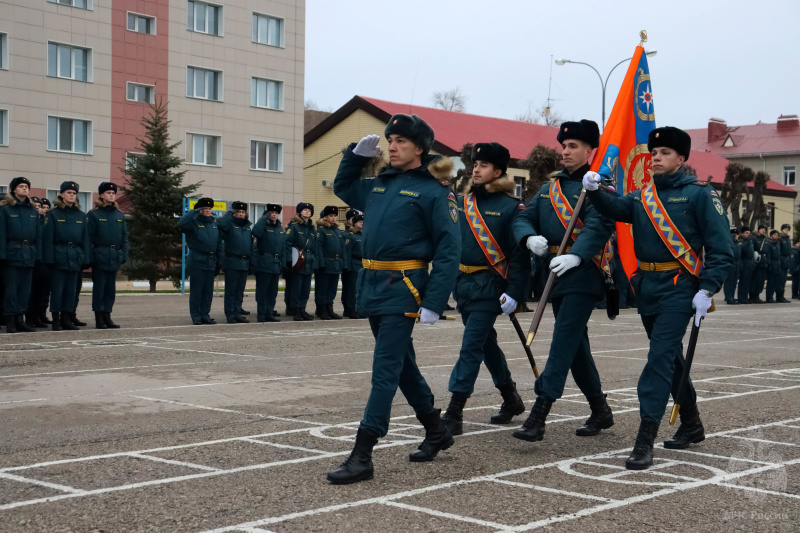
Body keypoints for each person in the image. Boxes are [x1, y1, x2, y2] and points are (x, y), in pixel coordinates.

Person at [583, 126, 733, 470]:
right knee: (672, 359)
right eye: (654, 154)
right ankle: (692, 424)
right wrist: (594, 191)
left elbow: (722, 247)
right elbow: (617, 208)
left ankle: (645, 437)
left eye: (665, 153)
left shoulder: (699, 195)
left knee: (658, 360)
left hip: (681, 287)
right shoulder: (642, 196)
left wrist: (708, 288)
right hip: (647, 286)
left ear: (682, 159)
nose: (657, 159)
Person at [327, 114, 460, 484]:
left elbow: (450, 249)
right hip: (373, 283)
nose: (393, 146)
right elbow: (343, 186)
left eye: (401, 140)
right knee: (401, 364)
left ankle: (363, 453)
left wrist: (434, 299)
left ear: (420, 148)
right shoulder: (380, 185)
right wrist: (354, 157)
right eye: (390, 140)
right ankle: (436, 430)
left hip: (405, 286)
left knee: (384, 369)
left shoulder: (436, 192)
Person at [511, 120, 616, 444]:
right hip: (554, 274)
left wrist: (578, 255)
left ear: (590, 151)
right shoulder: (549, 188)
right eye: (564, 146)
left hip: (583, 273)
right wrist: (528, 238)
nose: (566, 151)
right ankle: (600, 409)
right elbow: (524, 217)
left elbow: (600, 226)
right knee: (576, 346)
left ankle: (540, 411)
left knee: (563, 338)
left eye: (573, 146)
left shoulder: (600, 188)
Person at [440, 142, 530, 437]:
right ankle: (511, 397)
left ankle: (454, 411)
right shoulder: (461, 201)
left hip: (490, 287)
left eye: (483, 165)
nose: (476, 169)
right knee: (485, 343)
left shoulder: (511, 207)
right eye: (475, 164)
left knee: (470, 347)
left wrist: (515, 291)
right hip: (463, 285)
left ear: (499, 172)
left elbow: (519, 256)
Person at [43, 181, 90, 331]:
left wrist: (85, 258)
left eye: (74, 193)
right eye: (69, 192)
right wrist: (49, 259)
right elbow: (48, 239)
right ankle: (56, 318)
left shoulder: (80, 216)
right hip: (59, 255)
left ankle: (67, 317)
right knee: (58, 289)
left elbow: (85, 239)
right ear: (62, 194)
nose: (72, 195)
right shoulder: (53, 214)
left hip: (75, 256)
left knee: (71, 290)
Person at [0, 177, 41, 333]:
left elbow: (38, 235)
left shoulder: (32, 210)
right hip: (12, 253)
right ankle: (10, 319)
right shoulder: (6, 209)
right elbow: (2, 234)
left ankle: (20, 318)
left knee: (25, 289)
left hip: (29, 253)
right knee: (12, 289)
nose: (24, 188)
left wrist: (38, 255)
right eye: (21, 186)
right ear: (13, 190)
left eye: (26, 186)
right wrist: (2, 255)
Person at [87, 182, 127, 329]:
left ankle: (107, 315)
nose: (111, 195)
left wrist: (123, 254)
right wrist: (90, 257)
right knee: (99, 288)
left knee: (110, 289)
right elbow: (89, 238)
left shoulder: (119, 215)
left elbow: (124, 237)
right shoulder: (94, 214)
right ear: (101, 195)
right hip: (100, 255)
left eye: (113, 193)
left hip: (114, 255)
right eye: (108, 193)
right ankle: (99, 317)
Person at [179, 197, 223, 325]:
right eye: (204, 208)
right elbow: (182, 224)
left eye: (209, 209)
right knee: (197, 291)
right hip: (197, 260)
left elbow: (219, 243)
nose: (208, 211)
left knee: (207, 292)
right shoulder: (193, 223)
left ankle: (205, 315)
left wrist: (219, 260)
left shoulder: (214, 223)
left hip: (211, 260)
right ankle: (196, 316)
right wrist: (193, 211)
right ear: (199, 210)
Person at [219, 201, 253, 323]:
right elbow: (221, 225)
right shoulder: (229, 225)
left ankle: (237, 313)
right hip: (232, 261)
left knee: (239, 291)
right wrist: (229, 214)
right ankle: (230, 314)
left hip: (244, 262)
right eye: (238, 212)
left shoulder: (247, 227)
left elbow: (251, 246)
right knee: (231, 291)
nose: (241, 214)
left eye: (243, 212)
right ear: (233, 213)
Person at [251, 203, 285, 322]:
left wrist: (283, 263)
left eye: (276, 213)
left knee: (272, 292)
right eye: (271, 212)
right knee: (263, 291)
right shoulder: (263, 225)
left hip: (276, 263)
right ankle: (261, 314)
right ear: (267, 213)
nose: (274, 215)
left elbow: (283, 246)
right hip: (264, 262)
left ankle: (269, 313)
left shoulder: (279, 228)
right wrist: (263, 219)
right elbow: (255, 232)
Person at [284, 202, 317, 321]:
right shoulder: (294, 227)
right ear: (299, 212)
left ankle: (302, 309)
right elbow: (287, 244)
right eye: (304, 210)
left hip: (309, 262)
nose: (307, 211)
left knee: (305, 289)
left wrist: (315, 261)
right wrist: (289, 261)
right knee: (296, 289)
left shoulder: (312, 228)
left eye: (309, 210)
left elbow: (315, 247)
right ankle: (296, 311)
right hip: (298, 262)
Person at [314, 205, 345, 320]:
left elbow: (342, 249)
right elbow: (319, 248)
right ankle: (322, 309)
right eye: (330, 216)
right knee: (323, 287)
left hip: (336, 263)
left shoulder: (337, 231)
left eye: (334, 216)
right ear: (325, 217)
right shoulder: (321, 231)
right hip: (326, 263)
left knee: (332, 288)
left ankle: (329, 308)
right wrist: (321, 263)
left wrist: (342, 263)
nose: (333, 218)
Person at [25, 197, 51, 328]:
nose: (39, 209)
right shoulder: (31, 222)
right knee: (31, 292)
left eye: (39, 206)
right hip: (33, 260)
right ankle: (29, 318)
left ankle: (38, 316)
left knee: (42, 292)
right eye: (35, 206)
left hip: (44, 261)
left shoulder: (46, 223)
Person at [342, 209, 364, 319]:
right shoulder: (350, 236)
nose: (362, 224)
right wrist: (347, 267)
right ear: (354, 224)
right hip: (353, 264)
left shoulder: (363, 235)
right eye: (360, 222)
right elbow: (347, 252)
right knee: (352, 289)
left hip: (362, 264)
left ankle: (358, 308)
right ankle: (350, 309)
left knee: (360, 289)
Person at [750, 225, 769, 304]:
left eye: (764, 229)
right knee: (755, 280)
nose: (763, 230)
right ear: (758, 230)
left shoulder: (766, 239)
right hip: (757, 262)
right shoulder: (755, 238)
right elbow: (752, 249)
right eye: (761, 229)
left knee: (761, 281)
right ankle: (752, 296)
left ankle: (757, 295)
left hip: (764, 262)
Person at [737, 226, 754, 305]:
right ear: (742, 234)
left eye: (749, 233)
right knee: (743, 282)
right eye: (746, 233)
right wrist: (747, 242)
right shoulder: (741, 241)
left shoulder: (750, 243)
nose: (748, 235)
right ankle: (741, 298)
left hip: (750, 262)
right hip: (744, 262)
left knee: (748, 282)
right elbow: (742, 249)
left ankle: (745, 297)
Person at [723, 229, 741, 305]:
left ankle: (732, 297)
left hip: (736, 264)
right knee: (729, 282)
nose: (737, 236)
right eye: (736, 235)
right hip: (730, 264)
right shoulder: (728, 243)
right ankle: (728, 298)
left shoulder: (737, 243)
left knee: (734, 283)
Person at [776, 224, 792, 303]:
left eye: (788, 229)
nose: (786, 230)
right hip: (782, 261)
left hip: (786, 261)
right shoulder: (780, 239)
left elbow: (789, 251)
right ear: (782, 230)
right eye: (785, 229)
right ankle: (779, 296)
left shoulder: (788, 239)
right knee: (780, 280)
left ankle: (782, 295)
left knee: (783, 280)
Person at [764, 229, 781, 303]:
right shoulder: (769, 244)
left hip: (777, 264)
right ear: (771, 235)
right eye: (774, 234)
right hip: (772, 263)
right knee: (771, 282)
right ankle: (769, 297)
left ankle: (772, 296)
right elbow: (768, 255)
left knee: (775, 282)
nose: (776, 236)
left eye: (777, 235)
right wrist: (769, 265)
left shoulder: (777, 244)